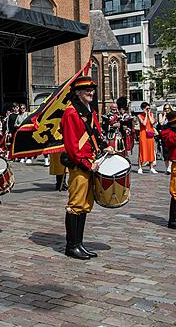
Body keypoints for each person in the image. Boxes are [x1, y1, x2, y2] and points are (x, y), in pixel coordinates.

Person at [60, 76, 114, 260]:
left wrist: (105, 145)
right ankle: (71, 246)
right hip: (80, 165)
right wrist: (87, 164)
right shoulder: (71, 113)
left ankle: (79, 243)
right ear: (77, 93)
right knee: (75, 205)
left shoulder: (88, 111)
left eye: (91, 90)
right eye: (86, 90)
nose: (90, 92)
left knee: (84, 205)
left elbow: (95, 133)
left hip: (91, 163)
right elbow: (72, 145)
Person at [137, 102, 158, 174]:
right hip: (143, 134)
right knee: (142, 150)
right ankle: (140, 167)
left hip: (150, 135)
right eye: (147, 108)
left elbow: (152, 122)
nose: (148, 110)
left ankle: (151, 167)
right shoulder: (139, 115)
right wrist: (145, 115)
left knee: (151, 150)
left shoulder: (151, 115)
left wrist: (149, 114)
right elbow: (144, 123)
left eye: (149, 108)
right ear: (143, 109)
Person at [158, 104, 174, 173]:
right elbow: (161, 123)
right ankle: (167, 167)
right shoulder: (161, 115)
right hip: (164, 135)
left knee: (171, 151)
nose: (167, 110)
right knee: (165, 152)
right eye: (165, 108)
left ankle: (170, 167)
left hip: (171, 134)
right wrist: (164, 115)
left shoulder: (172, 115)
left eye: (168, 108)